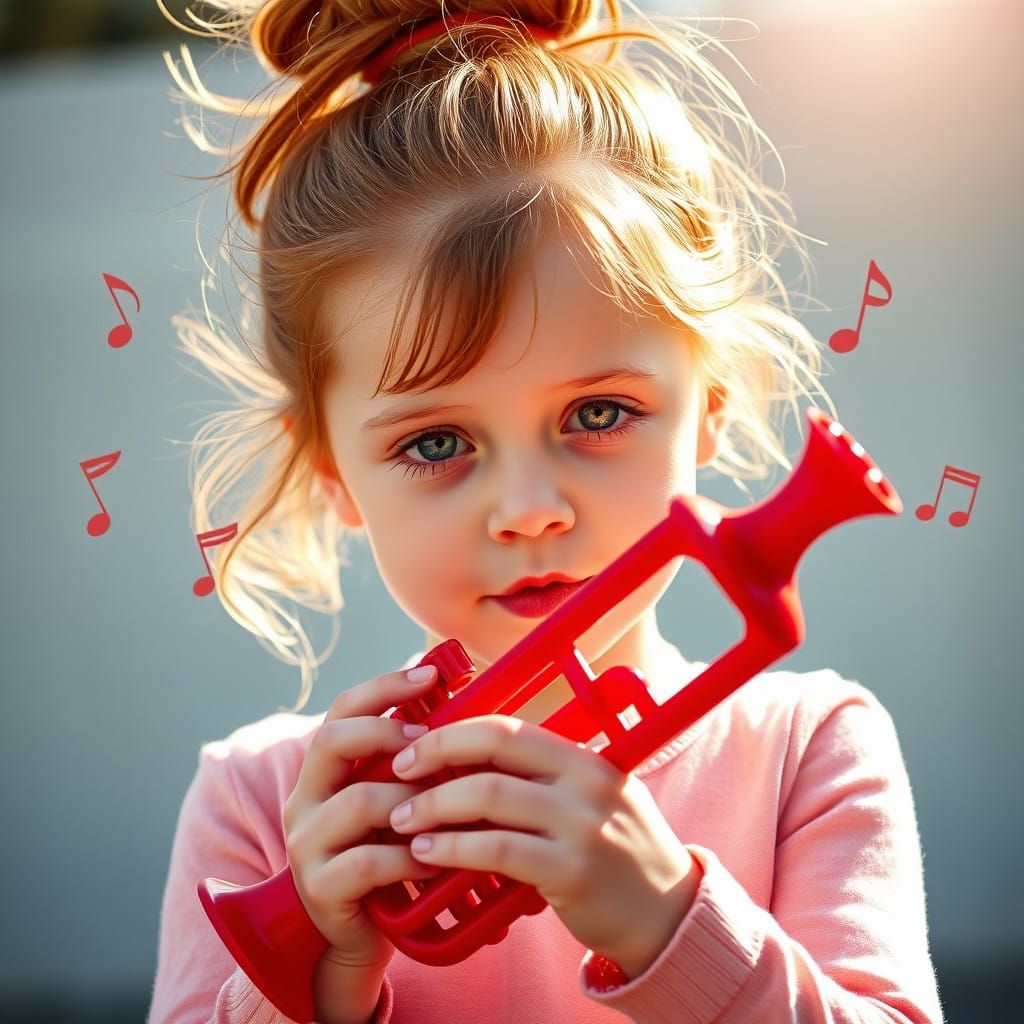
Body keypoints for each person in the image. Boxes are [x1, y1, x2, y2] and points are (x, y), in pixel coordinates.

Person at [148, 1, 943, 1021]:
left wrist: (673, 925)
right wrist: (311, 981)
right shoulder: (261, 805)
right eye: (435, 442)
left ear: (709, 412)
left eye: (599, 412)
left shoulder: (806, 751)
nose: (526, 510)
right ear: (332, 471)